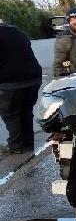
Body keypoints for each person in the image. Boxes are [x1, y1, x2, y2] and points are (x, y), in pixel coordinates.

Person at [0, 18, 42, 156]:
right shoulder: (18, 32)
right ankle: (28, 144)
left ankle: (16, 146)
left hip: (10, 83)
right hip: (33, 79)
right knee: (26, 111)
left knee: (10, 114)